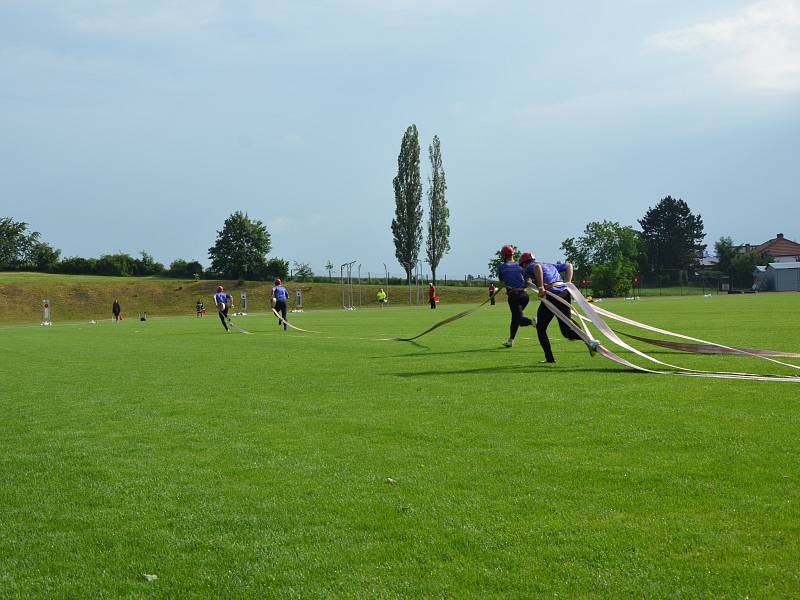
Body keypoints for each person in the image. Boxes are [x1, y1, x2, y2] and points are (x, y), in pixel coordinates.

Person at [519, 251, 599, 363]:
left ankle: (549, 358)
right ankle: (590, 341)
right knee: (566, 330)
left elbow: (537, 268)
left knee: (541, 328)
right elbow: (569, 265)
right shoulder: (549, 264)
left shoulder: (529, 266)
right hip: (564, 293)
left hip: (552, 295)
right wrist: (568, 282)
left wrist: (541, 287)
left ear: (523, 263)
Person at [497, 244, 533, 347]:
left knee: (519, 320)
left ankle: (534, 322)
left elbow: (501, 279)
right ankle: (510, 340)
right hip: (525, 296)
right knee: (515, 318)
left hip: (514, 295)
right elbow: (527, 278)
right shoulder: (520, 265)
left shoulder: (502, 267)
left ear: (503, 255)